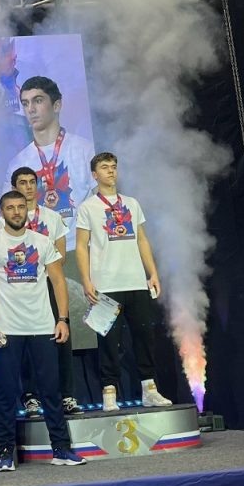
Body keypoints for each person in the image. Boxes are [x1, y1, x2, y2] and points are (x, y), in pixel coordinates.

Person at [0, 191, 87, 471]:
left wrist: (62, 319)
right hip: (7, 330)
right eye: (10, 207)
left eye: (20, 207)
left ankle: (61, 449)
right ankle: (4, 454)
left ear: (27, 209)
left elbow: (59, 282)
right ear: (2, 212)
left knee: (51, 391)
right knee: (6, 394)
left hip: (42, 327)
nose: (16, 211)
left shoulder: (42, 241)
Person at [75, 152, 172, 412]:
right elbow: (82, 246)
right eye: (104, 167)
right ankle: (109, 393)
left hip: (136, 282)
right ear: (94, 174)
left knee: (144, 337)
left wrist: (152, 273)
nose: (111, 171)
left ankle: (149, 389)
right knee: (109, 342)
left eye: (114, 167)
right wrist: (86, 280)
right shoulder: (87, 207)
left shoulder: (131, 203)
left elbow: (142, 239)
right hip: (106, 284)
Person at [0, 167, 83, 416]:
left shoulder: (52, 217)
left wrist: (41, 265)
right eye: (23, 183)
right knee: (24, 342)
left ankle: (66, 395)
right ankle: (30, 396)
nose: (29, 187)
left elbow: (61, 256)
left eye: (32, 182)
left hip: (49, 285)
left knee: (60, 338)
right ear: (14, 188)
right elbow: (2, 256)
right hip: (19, 289)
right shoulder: (1, 223)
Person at [5, 76, 95, 227]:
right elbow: (9, 216)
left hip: (80, 241)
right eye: (25, 103)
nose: (31, 109)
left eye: (38, 101)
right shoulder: (17, 164)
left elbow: (106, 202)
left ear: (57, 105)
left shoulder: (85, 150)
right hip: (39, 241)